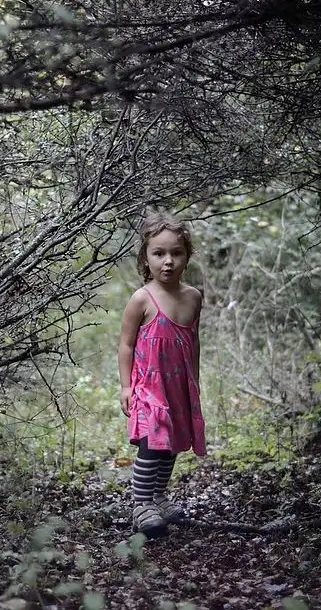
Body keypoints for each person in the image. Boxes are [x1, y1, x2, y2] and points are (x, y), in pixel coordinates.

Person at [117, 212, 207, 537]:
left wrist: (193, 382)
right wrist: (126, 387)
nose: (167, 261)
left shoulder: (193, 297)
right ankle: (141, 504)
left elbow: (192, 341)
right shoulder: (142, 299)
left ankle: (157, 496)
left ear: (187, 256)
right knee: (152, 445)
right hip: (149, 386)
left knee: (171, 445)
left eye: (176, 253)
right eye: (159, 253)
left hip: (178, 386)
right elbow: (126, 345)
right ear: (146, 257)